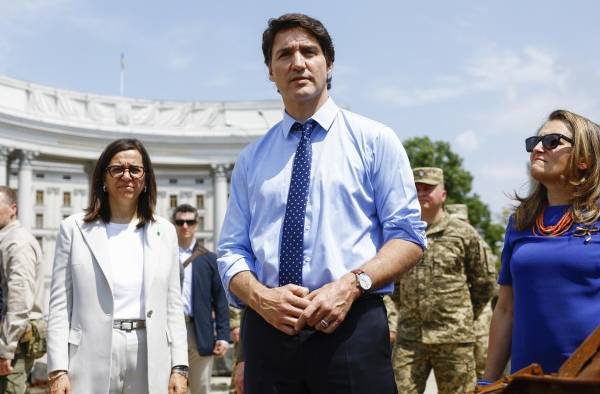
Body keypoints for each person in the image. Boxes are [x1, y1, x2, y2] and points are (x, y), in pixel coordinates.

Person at [218, 13, 426, 394]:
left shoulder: (375, 140)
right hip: (268, 330)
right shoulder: (251, 160)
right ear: (270, 70)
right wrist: (261, 298)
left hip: (351, 326)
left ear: (328, 64)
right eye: (284, 54)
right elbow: (231, 249)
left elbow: (409, 236)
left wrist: (351, 284)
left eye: (308, 52)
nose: (297, 62)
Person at [46, 139, 188, 394]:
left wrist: (180, 367)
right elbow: (59, 304)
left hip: (148, 350)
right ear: (103, 177)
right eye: (117, 169)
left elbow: (173, 304)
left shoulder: (164, 231)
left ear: (146, 179)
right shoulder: (74, 229)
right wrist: (58, 369)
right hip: (90, 353)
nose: (127, 176)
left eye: (135, 169)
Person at [482, 110, 600, 383]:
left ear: (584, 160)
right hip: (528, 380)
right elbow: (505, 309)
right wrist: (487, 381)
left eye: (552, 142)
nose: (536, 148)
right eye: (534, 141)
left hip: (590, 381)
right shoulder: (520, 222)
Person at [393, 167, 496, 394]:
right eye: (416, 189)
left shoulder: (463, 233)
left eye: (428, 188)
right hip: (410, 338)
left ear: (443, 195)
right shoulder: (400, 233)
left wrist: (462, 316)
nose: (421, 193)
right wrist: (410, 310)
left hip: (454, 338)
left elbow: (485, 282)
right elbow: (394, 284)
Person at [173, 203, 229, 394]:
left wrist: (223, 336)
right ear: (174, 224)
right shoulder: (164, 255)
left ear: (197, 224)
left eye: (190, 221)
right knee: (168, 387)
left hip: (201, 331)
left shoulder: (209, 258)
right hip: (170, 330)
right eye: (180, 222)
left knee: (201, 388)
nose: (185, 226)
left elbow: (220, 300)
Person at [0, 186, 45, 394]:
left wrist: (6, 350)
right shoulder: (7, 240)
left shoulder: (17, 243)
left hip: (13, 344)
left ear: (13, 209)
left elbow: (19, 300)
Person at [446, 203, 496, 379]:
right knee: (458, 371)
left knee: (482, 362)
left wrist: (470, 309)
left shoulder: (479, 244)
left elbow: (488, 283)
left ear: (467, 221)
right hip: (454, 316)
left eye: (461, 221)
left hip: (479, 312)